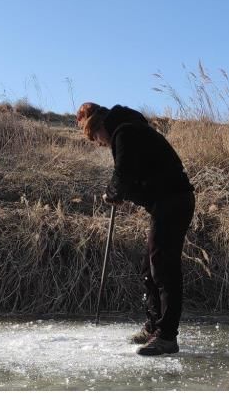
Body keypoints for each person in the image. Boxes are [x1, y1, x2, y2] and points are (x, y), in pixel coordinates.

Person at [76, 102, 195, 356]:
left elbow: (123, 173)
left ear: (98, 127)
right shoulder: (127, 130)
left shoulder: (125, 133)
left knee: (163, 265)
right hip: (168, 202)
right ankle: (154, 327)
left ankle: (166, 336)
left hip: (173, 201)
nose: (100, 144)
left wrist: (113, 193)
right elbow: (132, 176)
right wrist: (119, 191)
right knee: (150, 266)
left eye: (96, 139)